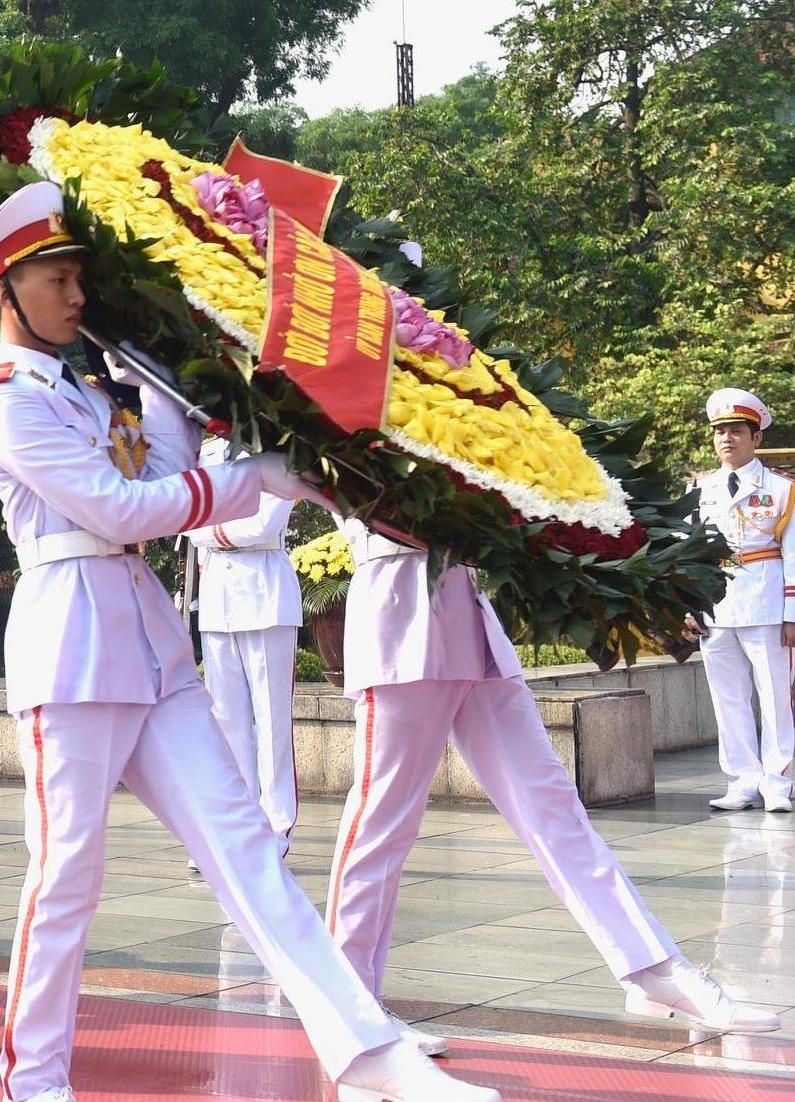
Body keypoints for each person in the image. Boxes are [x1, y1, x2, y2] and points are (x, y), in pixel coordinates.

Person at [0, 182, 499, 1102]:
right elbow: (125, 510)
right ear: (8, 286)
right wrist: (252, 474)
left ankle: (366, 1047)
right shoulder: (7, 406)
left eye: (83, 278)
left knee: (246, 846)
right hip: (70, 646)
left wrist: (207, 378)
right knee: (66, 876)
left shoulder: (93, 385)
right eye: (59, 279)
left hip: (151, 641)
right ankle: (31, 1088)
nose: (77, 296)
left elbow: (179, 454)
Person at [327, 517, 778, 1043]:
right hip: (400, 622)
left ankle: (654, 969)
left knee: (554, 807)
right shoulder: (340, 443)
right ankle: (349, 1006)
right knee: (382, 822)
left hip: (473, 626)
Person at [183, 436, 301, 845]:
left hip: (266, 590)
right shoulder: (208, 452)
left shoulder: (280, 451)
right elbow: (188, 517)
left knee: (272, 720)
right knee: (226, 718)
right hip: (218, 596)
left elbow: (263, 524)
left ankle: (277, 823)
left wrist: (210, 528)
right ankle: (238, 823)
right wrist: (208, 527)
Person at [689, 388, 795, 812]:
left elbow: (794, 553)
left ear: (757, 439)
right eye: (720, 432)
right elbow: (688, 552)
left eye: (736, 431)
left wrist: (793, 613)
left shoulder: (782, 489)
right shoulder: (698, 489)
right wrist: (688, 607)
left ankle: (777, 782)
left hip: (766, 601)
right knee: (727, 696)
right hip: (716, 605)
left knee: (774, 697)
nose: (726, 439)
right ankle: (742, 780)